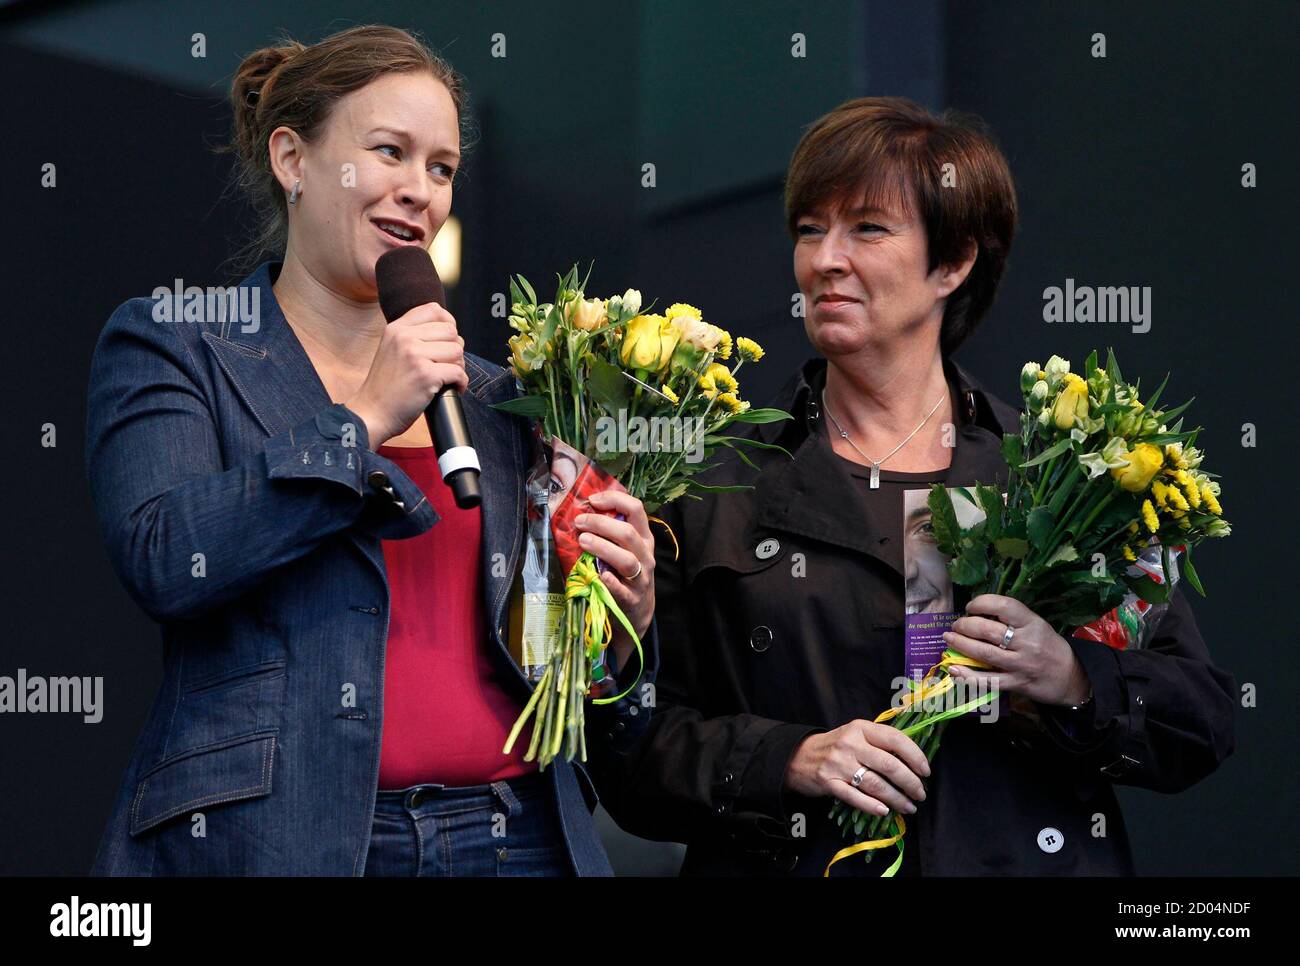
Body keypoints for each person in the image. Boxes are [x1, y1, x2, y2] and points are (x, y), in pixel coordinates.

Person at [598, 97, 1236, 876]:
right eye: (809, 229)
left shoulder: (1064, 478)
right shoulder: (712, 481)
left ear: (954, 262)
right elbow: (627, 750)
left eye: (867, 228)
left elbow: (1198, 722)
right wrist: (788, 759)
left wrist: (1070, 680)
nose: (825, 258)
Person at [85, 24, 657, 877]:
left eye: (441, 168)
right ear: (293, 159)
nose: (419, 192)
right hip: (293, 843)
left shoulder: (499, 397)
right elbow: (167, 558)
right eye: (389, 152)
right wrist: (360, 422)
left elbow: (571, 690)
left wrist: (621, 622)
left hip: (519, 839)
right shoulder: (178, 343)